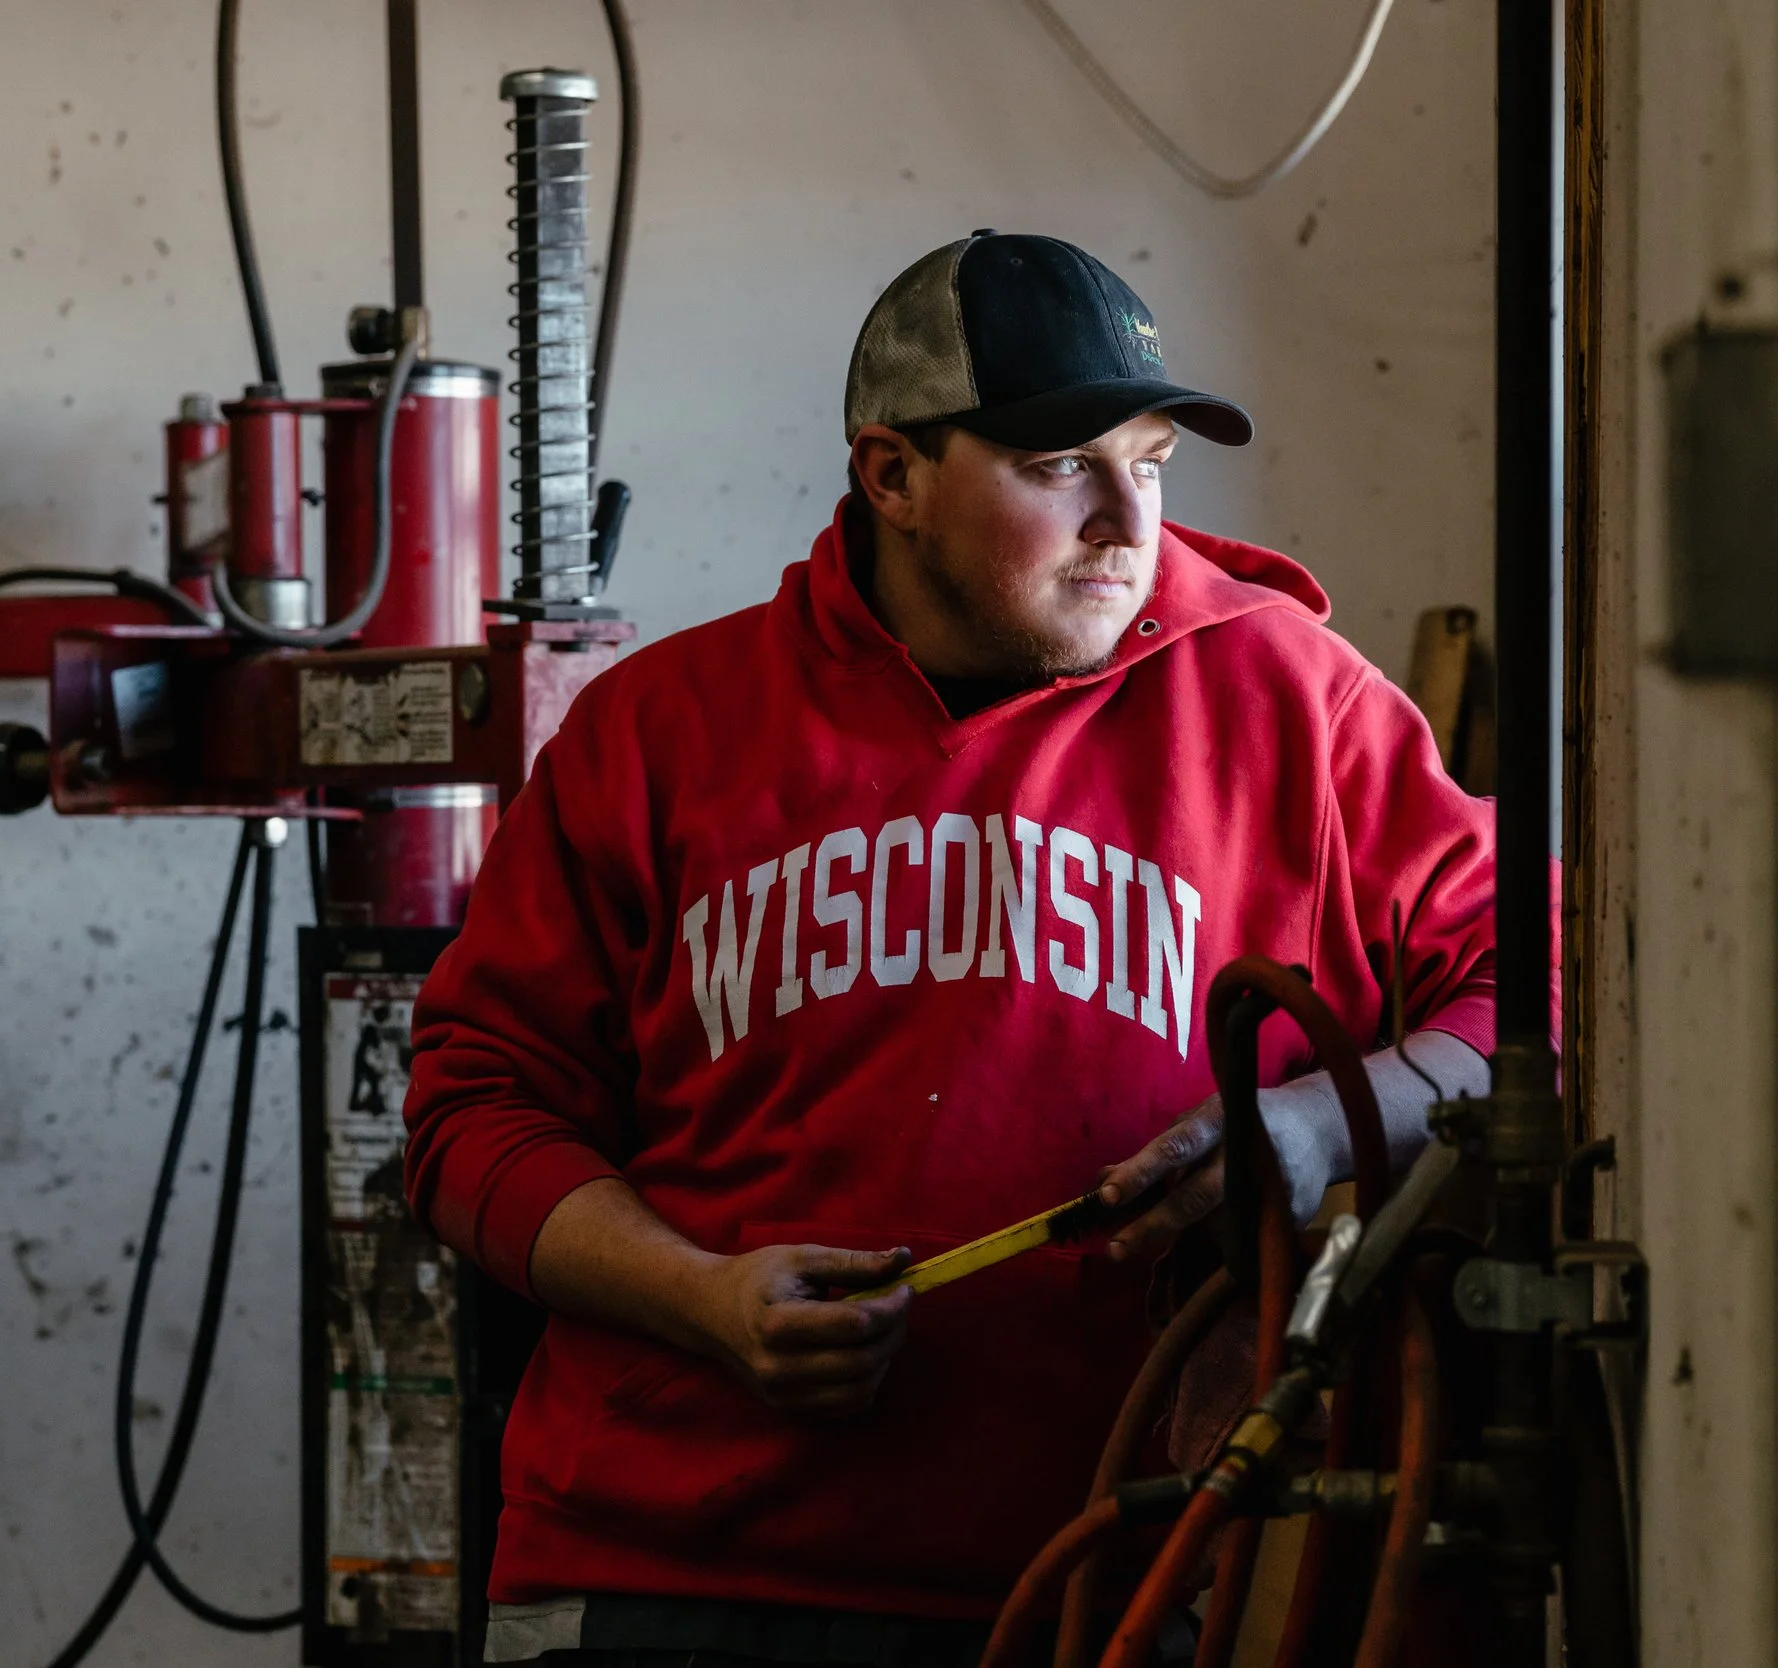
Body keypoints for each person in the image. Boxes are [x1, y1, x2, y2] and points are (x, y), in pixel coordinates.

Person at [402, 230, 1513, 1667]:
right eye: (1060, 468)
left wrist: (1307, 1129)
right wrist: (700, 1298)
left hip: (1122, 1578)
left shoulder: (1294, 705)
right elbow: (473, 1112)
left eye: (1152, 462)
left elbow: (1539, 984)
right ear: (893, 477)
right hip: (668, 1576)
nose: (1127, 520)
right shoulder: (657, 733)